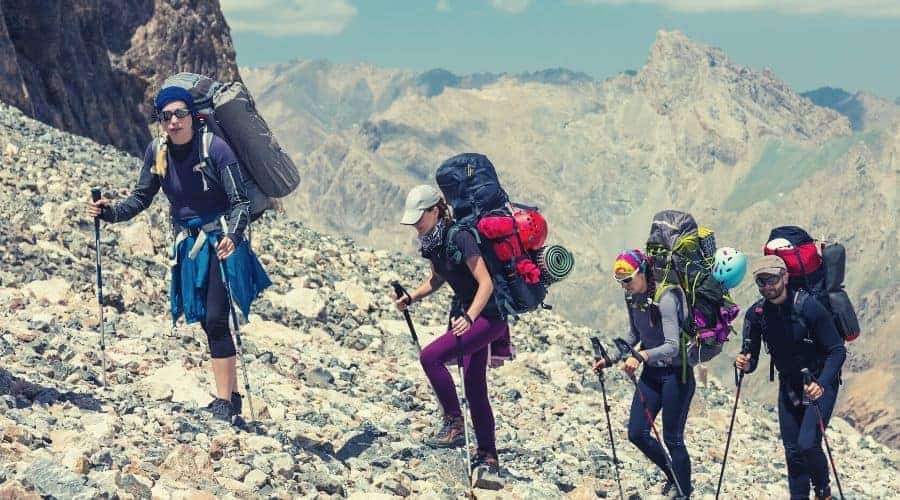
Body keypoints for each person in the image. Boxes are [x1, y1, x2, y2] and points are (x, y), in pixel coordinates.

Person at [86, 85, 271, 422]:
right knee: (205, 317)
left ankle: (224, 403)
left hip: (221, 241)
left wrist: (234, 234)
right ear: (160, 120)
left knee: (216, 316)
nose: (173, 121)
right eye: (166, 116)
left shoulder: (214, 148)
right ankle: (230, 395)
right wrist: (110, 212)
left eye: (180, 113)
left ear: (193, 116)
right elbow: (142, 197)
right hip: (189, 245)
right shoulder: (157, 152)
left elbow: (240, 202)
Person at [393, 184, 507, 476]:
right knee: (474, 385)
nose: (416, 226)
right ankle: (488, 455)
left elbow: (486, 283)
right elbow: (437, 279)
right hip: (470, 315)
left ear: (435, 210)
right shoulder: (433, 242)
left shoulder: (461, 237)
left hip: (488, 317)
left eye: (420, 219)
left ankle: (454, 422)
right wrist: (412, 297)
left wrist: (469, 317)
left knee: (430, 358)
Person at [735, 255, 846, 500]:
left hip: (819, 382)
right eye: (761, 282)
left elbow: (837, 350)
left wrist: (822, 383)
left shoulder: (808, 307)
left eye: (772, 280)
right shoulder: (756, 314)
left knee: (807, 443)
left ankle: (823, 492)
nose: (767, 287)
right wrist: (744, 363)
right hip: (789, 385)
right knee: (793, 451)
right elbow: (751, 359)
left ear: (785, 277)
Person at [593, 249, 694, 499]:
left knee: (673, 438)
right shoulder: (632, 299)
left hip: (676, 374)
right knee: (636, 433)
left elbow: (672, 345)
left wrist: (642, 356)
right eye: (620, 282)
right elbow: (634, 336)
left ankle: (684, 491)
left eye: (628, 280)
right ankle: (674, 478)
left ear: (643, 273)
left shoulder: (666, 298)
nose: (625, 287)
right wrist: (609, 359)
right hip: (652, 374)